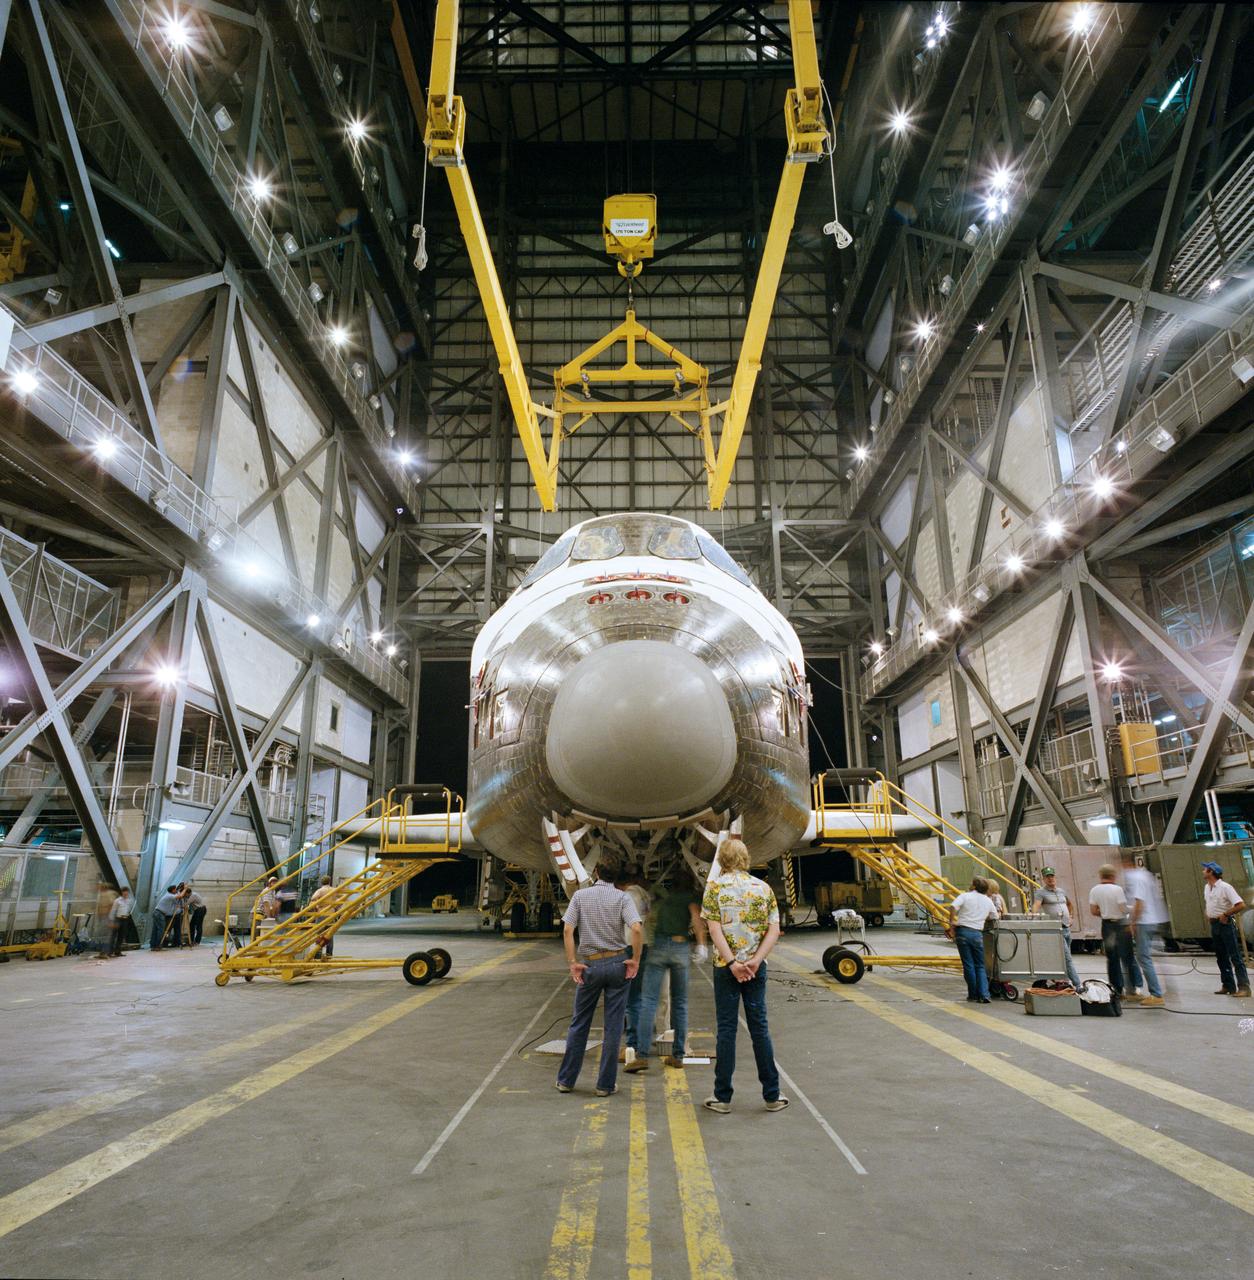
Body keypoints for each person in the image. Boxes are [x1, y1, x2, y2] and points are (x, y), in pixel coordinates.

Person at [701, 838, 788, 1113]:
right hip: (755, 968)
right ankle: (772, 1095)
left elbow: (715, 931)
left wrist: (732, 964)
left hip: (725, 969)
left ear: (721, 861)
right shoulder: (763, 889)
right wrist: (754, 961)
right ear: (746, 859)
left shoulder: (714, 889)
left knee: (727, 1030)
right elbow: (774, 931)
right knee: (759, 1028)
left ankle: (722, 1097)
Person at [555, 854, 642, 1097]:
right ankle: (605, 1085)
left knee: (579, 1023)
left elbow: (568, 929)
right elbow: (636, 928)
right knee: (613, 1027)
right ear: (617, 877)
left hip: (590, 966)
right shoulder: (622, 898)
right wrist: (635, 959)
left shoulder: (580, 897)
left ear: (595, 873)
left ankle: (566, 1081)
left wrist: (573, 963)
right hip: (616, 963)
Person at [625, 870, 709, 1073]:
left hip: (659, 948)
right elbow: (697, 920)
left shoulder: (663, 900)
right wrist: (702, 944)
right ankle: (678, 1055)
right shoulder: (690, 898)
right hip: (680, 949)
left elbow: (649, 920)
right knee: (680, 1003)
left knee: (648, 1002)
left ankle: (642, 1055)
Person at [1121, 853, 1165, 1007]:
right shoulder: (1145, 875)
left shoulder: (1136, 878)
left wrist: (1133, 922)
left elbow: (1140, 902)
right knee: (1144, 957)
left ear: (1127, 863)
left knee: (1144, 958)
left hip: (1144, 921)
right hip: (1153, 920)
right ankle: (1145, 990)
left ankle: (1156, 994)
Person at [617, 866, 652, 1065]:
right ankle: (641, 1040)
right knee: (639, 995)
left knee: (631, 999)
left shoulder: (627, 896)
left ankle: (633, 1043)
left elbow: (633, 925)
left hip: (630, 945)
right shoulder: (645, 894)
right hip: (644, 944)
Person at [1202, 861, 1250, 997]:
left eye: (1205, 869)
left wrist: (1226, 914)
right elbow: (1209, 903)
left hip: (1225, 924)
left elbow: (1241, 905)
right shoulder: (1207, 887)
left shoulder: (1225, 887)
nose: (1203, 871)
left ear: (1211, 872)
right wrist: (1208, 913)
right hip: (1215, 925)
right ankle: (1228, 985)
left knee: (1235, 956)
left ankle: (1244, 987)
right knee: (1221, 956)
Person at [946, 877, 998, 1002]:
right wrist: (981, 918)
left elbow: (953, 906)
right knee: (980, 965)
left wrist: (952, 921)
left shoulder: (965, 896)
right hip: (977, 934)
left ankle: (973, 994)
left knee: (968, 964)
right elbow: (994, 916)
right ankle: (984, 994)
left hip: (963, 932)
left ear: (974, 886)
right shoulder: (988, 900)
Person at [1089, 864, 1137, 999]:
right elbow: (1122, 908)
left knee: (1112, 959)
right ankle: (1132, 989)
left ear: (1101, 875)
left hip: (1107, 926)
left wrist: (1105, 912)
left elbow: (1093, 911)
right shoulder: (1117, 889)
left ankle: (1116, 990)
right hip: (1121, 925)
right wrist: (1133, 909)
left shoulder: (1094, 890)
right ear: (1113, 876)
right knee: (1127, 957)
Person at [1031, 867, 1082, 989]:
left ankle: (1062, 980)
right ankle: (1078, 984)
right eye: (1047, 877)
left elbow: (1069, 904)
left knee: (1065, 957)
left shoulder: (1061, 891)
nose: (1050, 879)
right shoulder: (1041, 892)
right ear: (1043, 879)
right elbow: (1036, 905)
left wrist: (1071, 916)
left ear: (1055, 877)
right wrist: (1033, 914)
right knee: (1067, 958)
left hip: (1066, 928)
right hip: (1055, 929)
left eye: (1052, 876)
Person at [309, 875, 336, 957]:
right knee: (330, 934)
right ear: (329, 881)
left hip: (322, 913)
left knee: (319, 934)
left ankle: (318, 953)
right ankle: (329, 953)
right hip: (331, 913)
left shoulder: (320, 890)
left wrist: (317, 905)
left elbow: (313, 898)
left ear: (321, 882)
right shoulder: (334, 890)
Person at [151, 884, 181, 950]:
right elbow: (180, 896)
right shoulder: (170, 896)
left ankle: (153, 946)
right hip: (160, 914)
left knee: (155, 930)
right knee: (161, 931)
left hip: (157, 912)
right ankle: (158, 946)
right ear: (173, 890)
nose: (176, 891)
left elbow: (177, 898)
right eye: (175, 889)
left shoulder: (168, 895)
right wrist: (184, 889)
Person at [106, 887, 133, 958]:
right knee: (113, 936)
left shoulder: (129, 901)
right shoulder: (117, 901)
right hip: (118, 919)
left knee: (121, 936)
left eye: (127, 892)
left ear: (128, 893)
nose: (125, 893)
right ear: (122, 892)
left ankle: (117, 951)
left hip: (125, 919)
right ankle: (109, 952)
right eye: (124, 891)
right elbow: (113, 910)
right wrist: (111, 920)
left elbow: (129, 910)